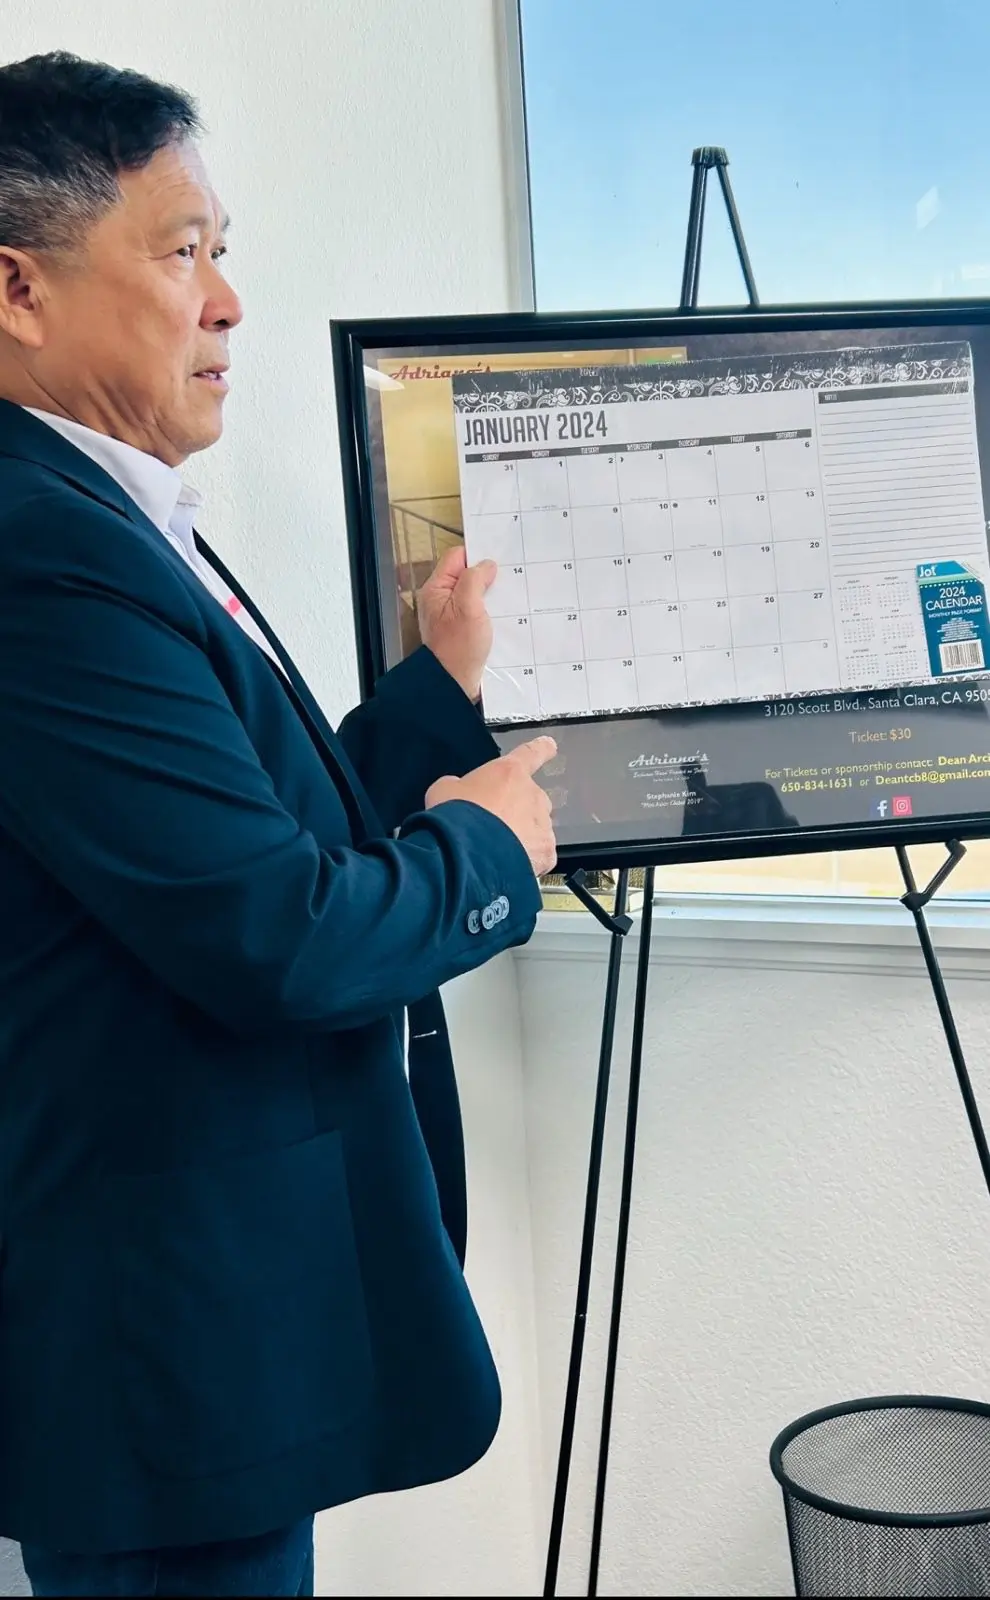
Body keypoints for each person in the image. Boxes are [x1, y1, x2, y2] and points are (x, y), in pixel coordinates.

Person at [0, 50, 557, 1598]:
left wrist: (434, 692)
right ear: (17, 289)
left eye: (220, 249)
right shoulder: (36, 552)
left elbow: (248, 844)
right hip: (164, 1354)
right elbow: (274, 936)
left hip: (222, 1322)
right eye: (182, 253)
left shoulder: (106, 510)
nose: (227, 299)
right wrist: (489, 860)